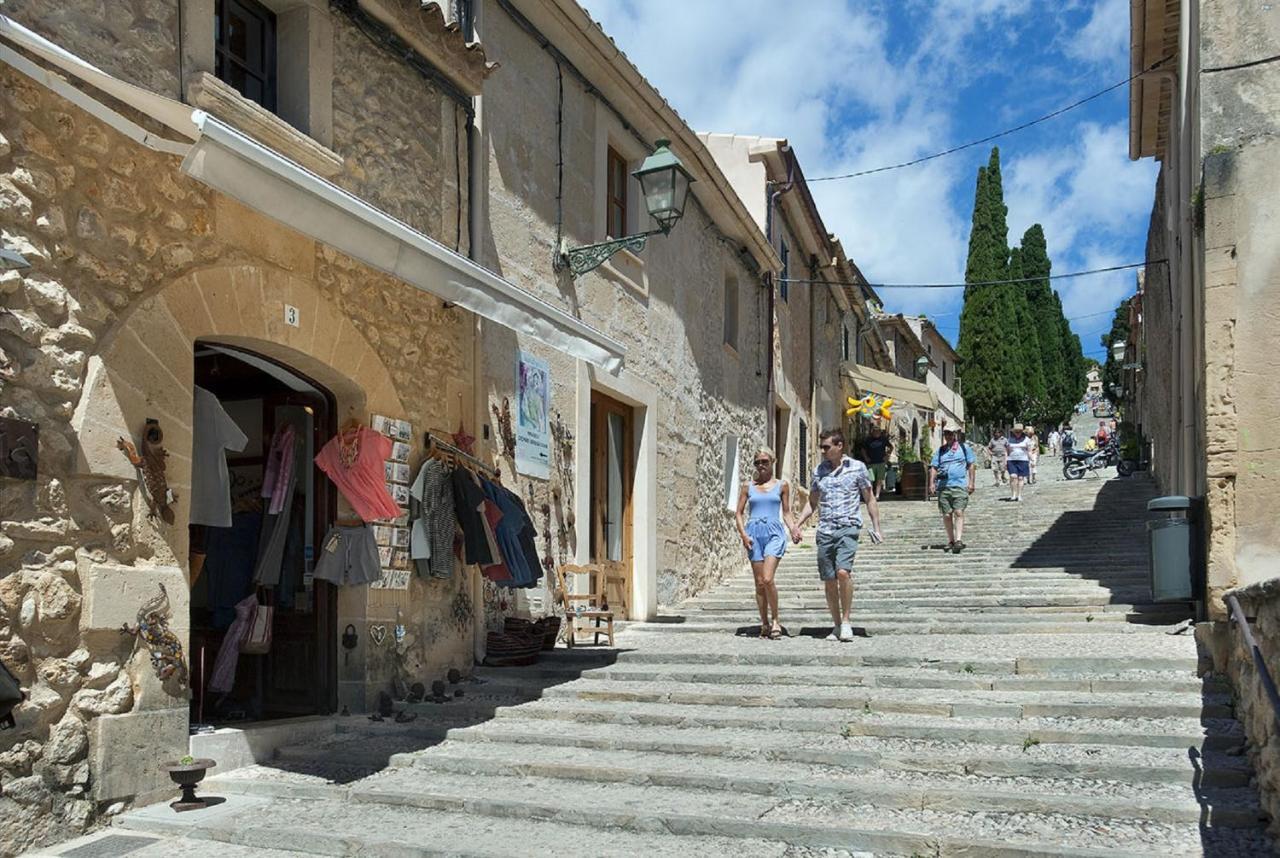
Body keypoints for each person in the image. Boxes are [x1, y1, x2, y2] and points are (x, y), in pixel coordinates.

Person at [795, 429, 883, 642]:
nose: (823, 451)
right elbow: (813, 502)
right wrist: (797, 524)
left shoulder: (857, 468)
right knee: (829, 579)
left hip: (848, 526)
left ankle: (846, 621)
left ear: (839, 445)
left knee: (843, 572)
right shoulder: (819, 471)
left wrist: (876, 526)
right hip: (825, 530)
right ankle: (835, 625)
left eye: (826, 447)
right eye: (822, 447)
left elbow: (869, 498)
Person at [734, 446, 797, 640]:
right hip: (754, 533)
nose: (761, 466)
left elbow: (786, 512)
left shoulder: (782, 485)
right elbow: (738, 513)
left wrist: (794, 528)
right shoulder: (748, 486)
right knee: (759, 583)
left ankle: (776, 619)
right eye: (757, 462)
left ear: (773, 462)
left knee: (768, 578)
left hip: (774, 533)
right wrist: (744, 535)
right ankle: (764, 623)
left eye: (765, 462)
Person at [929, 428, 976, 553]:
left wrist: (971, 482)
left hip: (959, 485)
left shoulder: (964, 448)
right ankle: (951, 540)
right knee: (946, 514)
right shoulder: (940, 451)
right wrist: (931, 483)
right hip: (943, 486)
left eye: (950, 434)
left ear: (954, 435)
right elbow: (934, 467)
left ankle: (959, 540)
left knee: (959, 512)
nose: (948, 436)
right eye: (946, 434)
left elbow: (971, 465)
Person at [861, 425, 892, 499]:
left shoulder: (883, 439)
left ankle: (877, 495)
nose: (876, 433)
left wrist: (887, 456)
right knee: (870, 479)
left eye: (878, 431)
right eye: (875, 431)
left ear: (880, 432)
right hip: (871, 463)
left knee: (879, 479)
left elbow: (891, 447)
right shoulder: (868, 440)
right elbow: (863, 450)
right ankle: (871, 495)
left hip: (881, 462)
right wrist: (866, 457)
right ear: (872, 432)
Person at [1004, 423, 1034, 501]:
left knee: (1021, 478)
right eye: (1016, 432)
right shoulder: (1009, 439)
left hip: (1023, 460)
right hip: (1011, 460)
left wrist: (1032, 460)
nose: (1018, 433)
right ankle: (1013, 494)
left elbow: (1029, 451)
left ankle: (1019, 495)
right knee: (1013, 476)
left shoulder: (1027, 440)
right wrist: (1005, 460)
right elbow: (1006, 451)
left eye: (1019, 432)